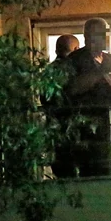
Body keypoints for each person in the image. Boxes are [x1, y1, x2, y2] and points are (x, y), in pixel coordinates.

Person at [63, 18, 111, 176]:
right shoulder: (75, 60)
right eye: (100, 33)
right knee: (97, 170)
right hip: (95, 130)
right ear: (87, 36)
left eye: (105, 33)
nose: (104, 37)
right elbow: (72, 88)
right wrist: (100, 72)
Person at [43, 34, 80, 178]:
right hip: (72, 125)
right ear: (75, 49)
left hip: (54, 125)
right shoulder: (73, 70)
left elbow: (44, 98)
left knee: (61, 168)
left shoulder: (48, 70)